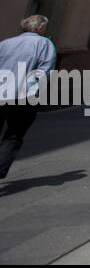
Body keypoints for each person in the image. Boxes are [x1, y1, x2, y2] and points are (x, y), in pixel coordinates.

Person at [0, 15, 57, 179]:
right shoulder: (44, 43)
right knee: (14, 134)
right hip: (25, 95)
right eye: (44, 27)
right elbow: (45, 71)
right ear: (40, 28)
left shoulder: (5, 44)